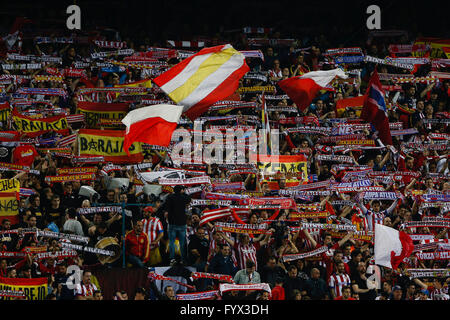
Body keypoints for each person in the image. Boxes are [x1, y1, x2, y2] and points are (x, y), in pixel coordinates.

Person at [163, 185, 191, 263]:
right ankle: (183, 259)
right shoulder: (183, 197)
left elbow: (166, 207)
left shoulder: (170, 197)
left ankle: (172, 258)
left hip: (172, 223)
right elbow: (189, 199)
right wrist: (184, 193)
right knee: (182, 242)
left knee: (171, 241)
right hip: (182, 223)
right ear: (181, 190)